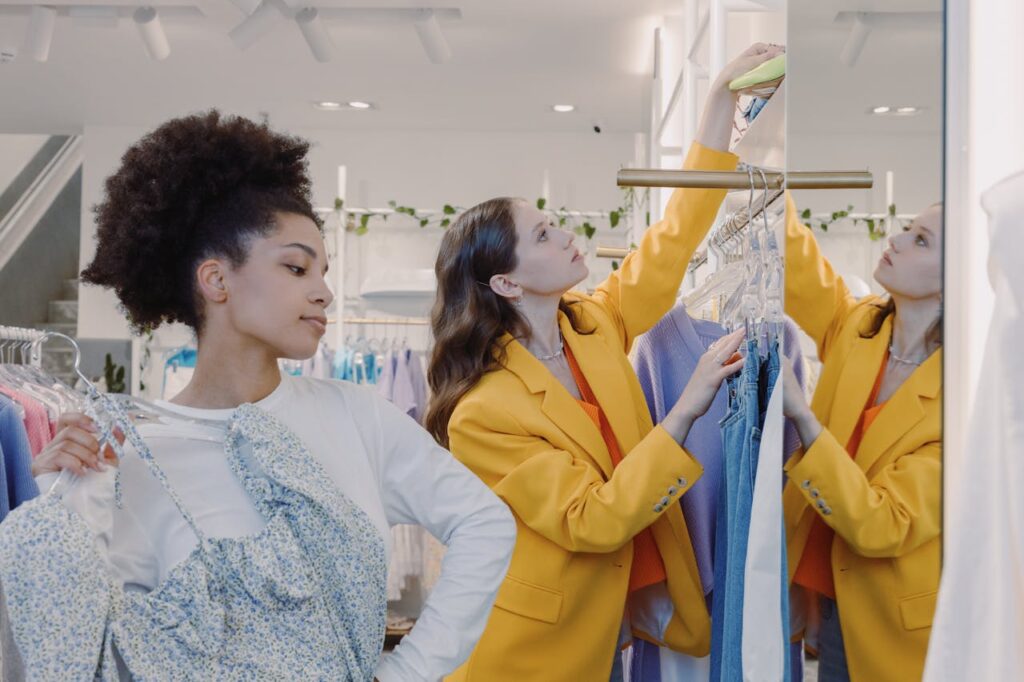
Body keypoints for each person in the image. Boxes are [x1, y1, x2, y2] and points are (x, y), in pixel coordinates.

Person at [31, 111, 516, 681]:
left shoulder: (357, 417)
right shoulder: (128, 453)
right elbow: (85, 642)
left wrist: (406, 673)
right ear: (216, 281)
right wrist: (58, 504)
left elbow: (485, 523)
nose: (324, 293)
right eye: (296, 267)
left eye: (324, 272)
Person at [425, 44, 783, 681]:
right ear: (506, 284)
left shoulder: (592, 324)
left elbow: (672, 242)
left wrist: (720, 102)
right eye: (542, 235)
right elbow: (591, 519)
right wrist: (687, 408)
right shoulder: (481, 416)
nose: (565, 233)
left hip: (608, 630)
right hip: (524, 657)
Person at [780, 194, 942, 682]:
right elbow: (795, 256)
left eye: (920, 241)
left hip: (901, 632)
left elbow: (884, 526)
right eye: (907, 229)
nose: (895, 240)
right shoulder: (859, 327)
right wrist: (750, 145)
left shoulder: (960, 397)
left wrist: (803, 420)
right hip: (832, 604)